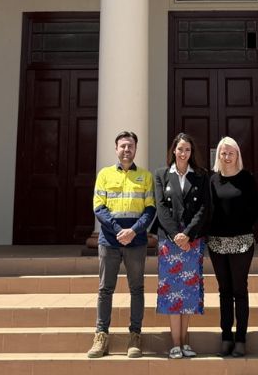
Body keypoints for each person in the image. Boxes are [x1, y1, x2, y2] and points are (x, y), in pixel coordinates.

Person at [88, 131, 155, 359]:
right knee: (105, 289)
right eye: (123, 146)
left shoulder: (145, 177)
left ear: (136, 149)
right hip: (110, 240)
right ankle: (101, 336)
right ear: (116, 149)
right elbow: (99, 207)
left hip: (136, 242)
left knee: (137, 289)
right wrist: (119, 231)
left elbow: (150, 210)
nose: (127, 150)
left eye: (131, 146)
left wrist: (133, 231)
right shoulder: (104, 174)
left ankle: (135, 335)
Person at [153, 132, 209, 359]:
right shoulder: (162, 175)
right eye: (179, 149)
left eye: (187, 149)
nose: (183, 153)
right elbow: (160, 207)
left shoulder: (201, 176)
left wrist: (188, 235)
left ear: (191, 152)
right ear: (173, 151)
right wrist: (177, 235)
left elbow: (204, 208)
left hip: (193, 241)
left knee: (188, 293)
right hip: (169, 241)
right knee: (172, 293)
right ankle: (175, 343)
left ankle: (185, 342)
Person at [208, 136, 258, 358]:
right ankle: (226, 336)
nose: (227, 157)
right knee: (224, 291)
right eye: (223, 153)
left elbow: (256, 208)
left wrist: (243, 226)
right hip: (217, 243)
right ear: (218, 155)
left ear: (237, 155)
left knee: (240, 289)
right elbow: (207, 209)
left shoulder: (247, 178)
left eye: (231, 153)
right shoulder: (212, 180)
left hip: (241, 243)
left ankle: (241, 338)